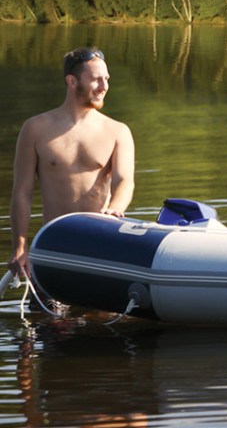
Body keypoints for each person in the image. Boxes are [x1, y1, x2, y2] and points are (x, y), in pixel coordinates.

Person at [9, 47, 135, 278]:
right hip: (54, 243)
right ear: (72, 81)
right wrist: (19, 247)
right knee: (49, 304)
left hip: (102, 241)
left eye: (106, 79)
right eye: (96, 79)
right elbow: (22, 192)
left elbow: (125, 181)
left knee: (101, 303)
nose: (104, 86)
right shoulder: (35, 129)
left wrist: (115, 209)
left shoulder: (118, 131)